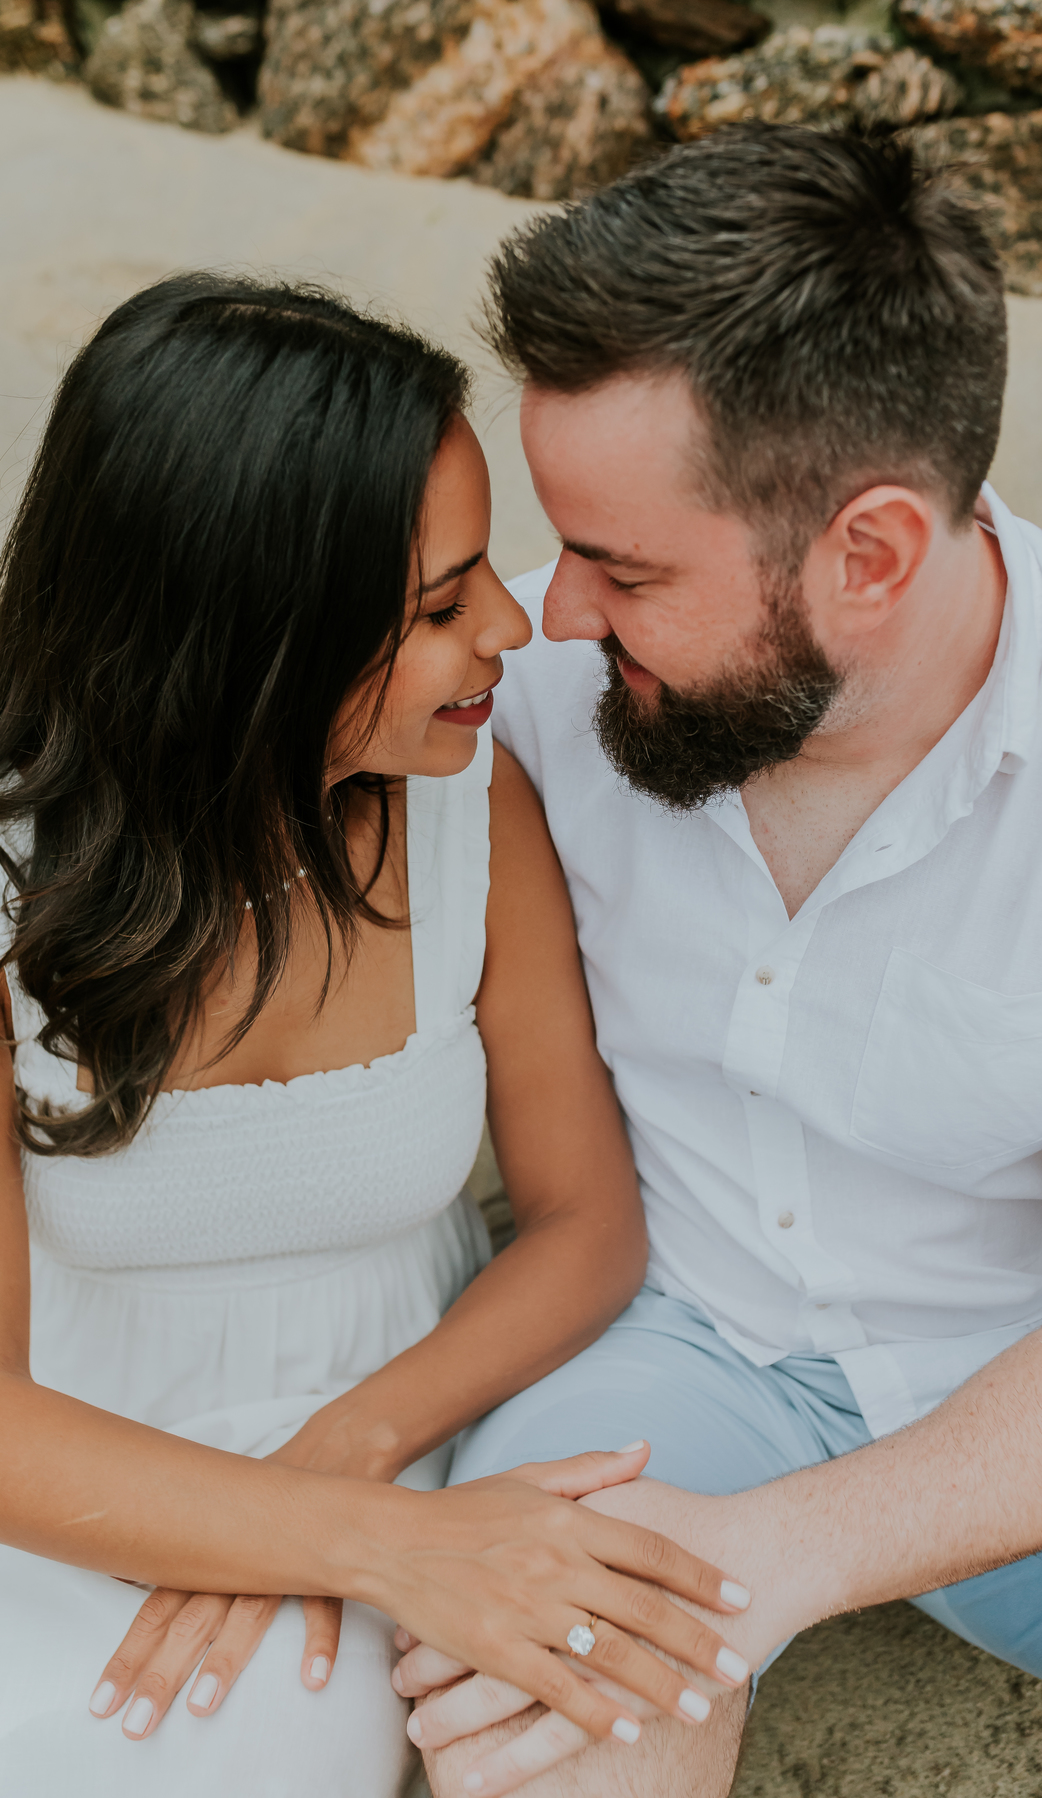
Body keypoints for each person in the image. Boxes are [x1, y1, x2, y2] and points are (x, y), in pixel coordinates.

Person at [395, 125, 1042, 1798]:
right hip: (659, 1355)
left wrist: (781, 1553)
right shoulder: (534, 695)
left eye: (622, 569)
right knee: (542, 1751)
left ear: (873, 553)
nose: (554, 618)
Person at [0, 274, 754, 1798]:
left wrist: (350, 1471)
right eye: (435, 605)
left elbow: (586, 1223)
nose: (509, 625)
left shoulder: (473, 811)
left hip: (384, 1417)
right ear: (244, 646)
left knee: (220, 1758)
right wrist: (374, 1538)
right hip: (64, 1468)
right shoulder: (16, 881)